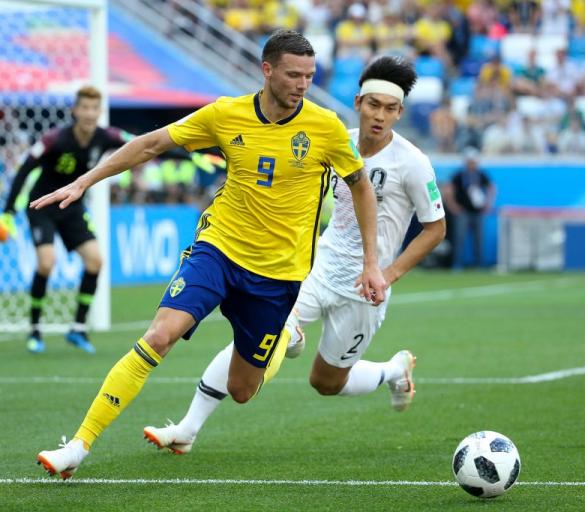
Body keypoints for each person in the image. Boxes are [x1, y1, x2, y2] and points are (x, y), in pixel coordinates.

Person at [32, 29, 385, 480]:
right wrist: (86, 181)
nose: (302, 84)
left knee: (242, 389)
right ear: (267, 69)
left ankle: (286, 338)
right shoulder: (225, 114)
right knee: (160, 335)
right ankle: (78, 447)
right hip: (218, 249)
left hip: (278, 275)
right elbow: (151, 143)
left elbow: (360, 187)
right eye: (294, 74)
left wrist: (371, 262)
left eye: (310, 76)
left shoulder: (326, 127)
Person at [141, 56, 447, 455]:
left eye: (390, 109)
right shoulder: (332, 140)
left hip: (365, 286)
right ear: (357, 102)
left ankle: (394, 369)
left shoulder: (413, 163)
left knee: (326, 382)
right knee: (262, 332)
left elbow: (436, 228)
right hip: (313, 267)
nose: (380, 116)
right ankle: (187, 428)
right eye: (373, 105)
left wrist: (387, 274)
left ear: (400, 112)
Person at [0, 86, 134, 354]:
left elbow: (145, 143)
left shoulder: (106, 137)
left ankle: (78, 328)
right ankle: (35, 329)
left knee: (96, 260)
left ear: (99, 112)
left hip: (72, 208)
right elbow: (25, 169)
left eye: (94, 108)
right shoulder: (54, 140)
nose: (89, 113)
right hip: (43, 206)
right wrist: (9, 211)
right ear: (75, 111)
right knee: (47, 263)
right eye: (84, 107)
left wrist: (188, 152)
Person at [443, 147, 495, 269]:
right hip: (463, 211)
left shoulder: (481, 175)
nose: (472, 164)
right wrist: (453, 205)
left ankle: (479, 264)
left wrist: (488, 204)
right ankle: (457, 264)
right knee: (459, 238)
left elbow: (492, 188)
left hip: (478, 212)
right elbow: (448, 190)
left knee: (479, 239)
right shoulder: (459, 175)